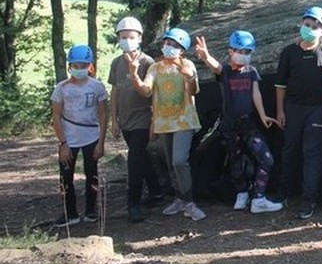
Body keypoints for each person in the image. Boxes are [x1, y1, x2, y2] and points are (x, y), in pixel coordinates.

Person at [195, 30, 283, 214]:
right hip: (229, 124)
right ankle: (242, 194)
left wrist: (263, 115)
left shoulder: (252, 72)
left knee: (266, 158)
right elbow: (216, 67)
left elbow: (256, 93)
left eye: (247, 52)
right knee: (235, 160)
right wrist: (205, 56)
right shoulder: (226, 72)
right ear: (230, 51)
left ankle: (258, 198)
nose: (243, 56)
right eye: (240, 51)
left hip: (248, 124)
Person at [128, 27, 206, 221]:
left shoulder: (187, 64)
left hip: (184, 120)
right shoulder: (155, 67)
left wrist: (190, 76)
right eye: (167, 43)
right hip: (164, 121)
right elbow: (146, 91)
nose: (169, 47)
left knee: (180, 160)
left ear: (182, 49)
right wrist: (134, 74)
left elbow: (194, 90)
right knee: (171, 163)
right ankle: (179, 199)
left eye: (174, 45)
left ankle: (189, 202)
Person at [275, 6, 322, 220]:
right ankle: (284, 193)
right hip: (293, 108)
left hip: (317, 110)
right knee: (289, 150)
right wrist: (280, 110)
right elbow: (280, 84)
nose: (309, 28)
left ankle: (309, 199)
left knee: (313, 153)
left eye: (315, 26)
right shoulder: (289, 52)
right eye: (307, 24)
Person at [109, 17, 163, 223]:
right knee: (141, 157)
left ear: (139, 38)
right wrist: (114, 120)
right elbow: (114, 92)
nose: (127, 40)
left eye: (131, 37)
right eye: (123, 37)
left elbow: (153, 94)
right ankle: (157, 191)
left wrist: (154, 122)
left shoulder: (148, 62)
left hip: (143, 119)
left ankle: (134, 203)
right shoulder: (116, 63)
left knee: (134, 160)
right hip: (126, 120)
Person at [51, 44, 108, 227]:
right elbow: (57, 116)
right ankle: (70, 212)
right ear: (70, 66)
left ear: (90, 66)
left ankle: (91, 210)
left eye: (83, 66)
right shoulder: (61, 88)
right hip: (69, 138)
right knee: (65, 176)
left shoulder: (97, 87)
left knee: (92, 174)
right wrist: (63, 143)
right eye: (75, 66)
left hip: (91, 136)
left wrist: (101, 142)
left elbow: (102, 114)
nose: (79, 69)